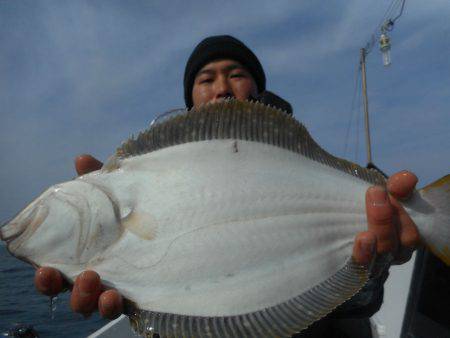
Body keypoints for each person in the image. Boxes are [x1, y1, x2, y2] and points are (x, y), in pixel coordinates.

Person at [34, 35, 420, 336]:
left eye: (236, 73)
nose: (221, 86)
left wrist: (375, 264)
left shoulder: (310, 168)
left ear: (256, 87)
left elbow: (355, 303)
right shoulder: (151, 170)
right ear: (190, 99)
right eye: (206, 78)